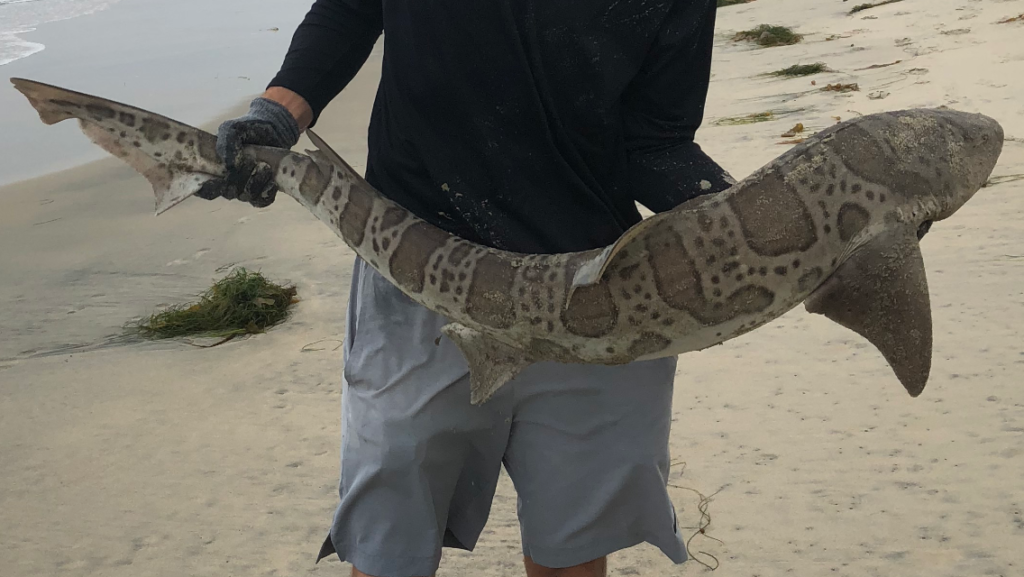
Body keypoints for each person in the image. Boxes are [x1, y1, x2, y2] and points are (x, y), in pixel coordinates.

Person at [202, 1, 735, 576]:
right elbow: (353, 8)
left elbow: (653, 142)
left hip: (590, 289)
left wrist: (741, 219)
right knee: (391, 537)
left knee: (575, 538)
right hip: (421, 270)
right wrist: (278, 114)